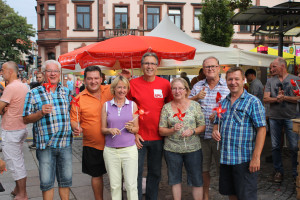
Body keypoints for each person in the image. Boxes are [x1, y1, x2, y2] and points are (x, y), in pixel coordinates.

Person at [212, 67, 266, 200]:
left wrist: (256, 157)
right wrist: (214, 130)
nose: (233, 82)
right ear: (226, 81)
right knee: (231, 193)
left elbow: (262, 129)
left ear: (244, 80)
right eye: (230, 79)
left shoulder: (253, 102)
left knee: (246, 196)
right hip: (226, 158)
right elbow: (216, 121)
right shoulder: (223, 102)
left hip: (245, 159)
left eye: (237, 79)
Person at [23, 60, 73, 200]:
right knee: (47, 183)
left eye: (56, 71)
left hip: (65, 144)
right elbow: (25, 119)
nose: (53, 74)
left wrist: (75, 126)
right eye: (49, 71)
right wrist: (40, 113)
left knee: (66, 181)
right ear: (44, 74)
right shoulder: (33, 93)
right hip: (45, 146)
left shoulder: (66, 92)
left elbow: (72, 115)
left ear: (59, 73)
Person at [127, 52, 173, 200]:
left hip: (158, 137)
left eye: (152, 63)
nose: (149, 66)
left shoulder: (165, 84)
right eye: (146, 63)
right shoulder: (132, 84)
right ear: (141, 66)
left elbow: (171, 106)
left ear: (157, 66)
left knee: (155, 172)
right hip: (138, 137)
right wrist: (134, 133)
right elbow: (127, 109)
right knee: (136, 172)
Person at [189, 56, 230, 200]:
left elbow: (234, 106)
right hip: (201, 136)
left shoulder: (228, 85)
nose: (210, 69)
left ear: (219, 68)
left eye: (213, 66)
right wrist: (195, 98)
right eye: (207, 67)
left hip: (221, 136)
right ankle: (205, 196)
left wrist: (219, 116)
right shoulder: (198, 86)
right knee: (203, 169)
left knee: (224, 168)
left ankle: (228, 195)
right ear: (203, 70)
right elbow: (185, 104)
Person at [70, 65, 113, 200]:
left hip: (115, 143)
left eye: (96, 78)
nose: (93, 81)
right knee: (96, 175)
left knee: (117, 176)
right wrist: (76, 127)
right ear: (84, 80)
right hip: (93, 144)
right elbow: (73, 120)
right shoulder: (78, 99)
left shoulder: (111, 90)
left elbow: (126, 90)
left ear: (101, 79)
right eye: (89, 79)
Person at [159, 78, 205, 200]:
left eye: (180, 88)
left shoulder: (195, 106)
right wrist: (172, 130)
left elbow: (202, 126)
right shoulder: (166, 108)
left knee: (196, 179)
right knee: (175, 179)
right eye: (174, 88)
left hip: (193, 149)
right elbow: (161, 130)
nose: (177, 91)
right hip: (172, 149)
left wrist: (193, 131)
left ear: (186, 90)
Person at [101, 76, 139, 200]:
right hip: (111, 151)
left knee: (131, 185)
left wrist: (131, 129)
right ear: (114, 89)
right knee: (114, 186)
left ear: (127, 89)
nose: (122, 90)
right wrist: (109, 130)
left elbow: (136, 129)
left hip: (129, 150)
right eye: (119, 87)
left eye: (124, 87)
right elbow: (102, 129)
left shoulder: (133, 105)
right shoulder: (106, 106)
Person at [263, 57, 300, 183]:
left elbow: (298, 98)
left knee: (294, 146)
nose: (271, 69)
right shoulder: (270, 81)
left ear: (282, 66)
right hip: (274, 117)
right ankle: (278, 171)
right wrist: (277, 99)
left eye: (274, 66)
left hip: (292, 117)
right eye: (271, 67)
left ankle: (296, 172)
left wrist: (285, 98)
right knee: (275, 146)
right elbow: (266, 99)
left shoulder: (295, 80)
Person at [0, 61, 29, 200]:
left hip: (11, 128)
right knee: (19, 160)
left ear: (11, 71)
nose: (1, 72)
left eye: (3, 70)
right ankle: (18, 188)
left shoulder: (10, 87)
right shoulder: (23, 86)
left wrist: (3, 108)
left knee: (14, 163)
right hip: (20, 127)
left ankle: (22, 194)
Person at [29, 72, 45, 150]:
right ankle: (35, 142)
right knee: (34, 127)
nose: (38, 79)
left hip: (44, 109)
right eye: (37, 77)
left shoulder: (46, 86)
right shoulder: (34, 86)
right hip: (36, 110)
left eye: (40, 77)